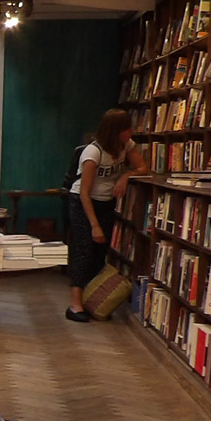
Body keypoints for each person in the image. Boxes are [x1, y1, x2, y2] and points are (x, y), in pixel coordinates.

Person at [65, 107, 147, 322]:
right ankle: (74, 305)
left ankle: (93, 300)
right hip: (83, 203)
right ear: (114, 131)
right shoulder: (93, 153)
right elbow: (84, 192)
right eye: (126, 129)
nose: (130, 133)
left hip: (106, 202)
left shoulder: (126, 146)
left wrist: (126, 175)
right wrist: (94, 225)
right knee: (84, 250)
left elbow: (143, 168)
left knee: (100, 252)